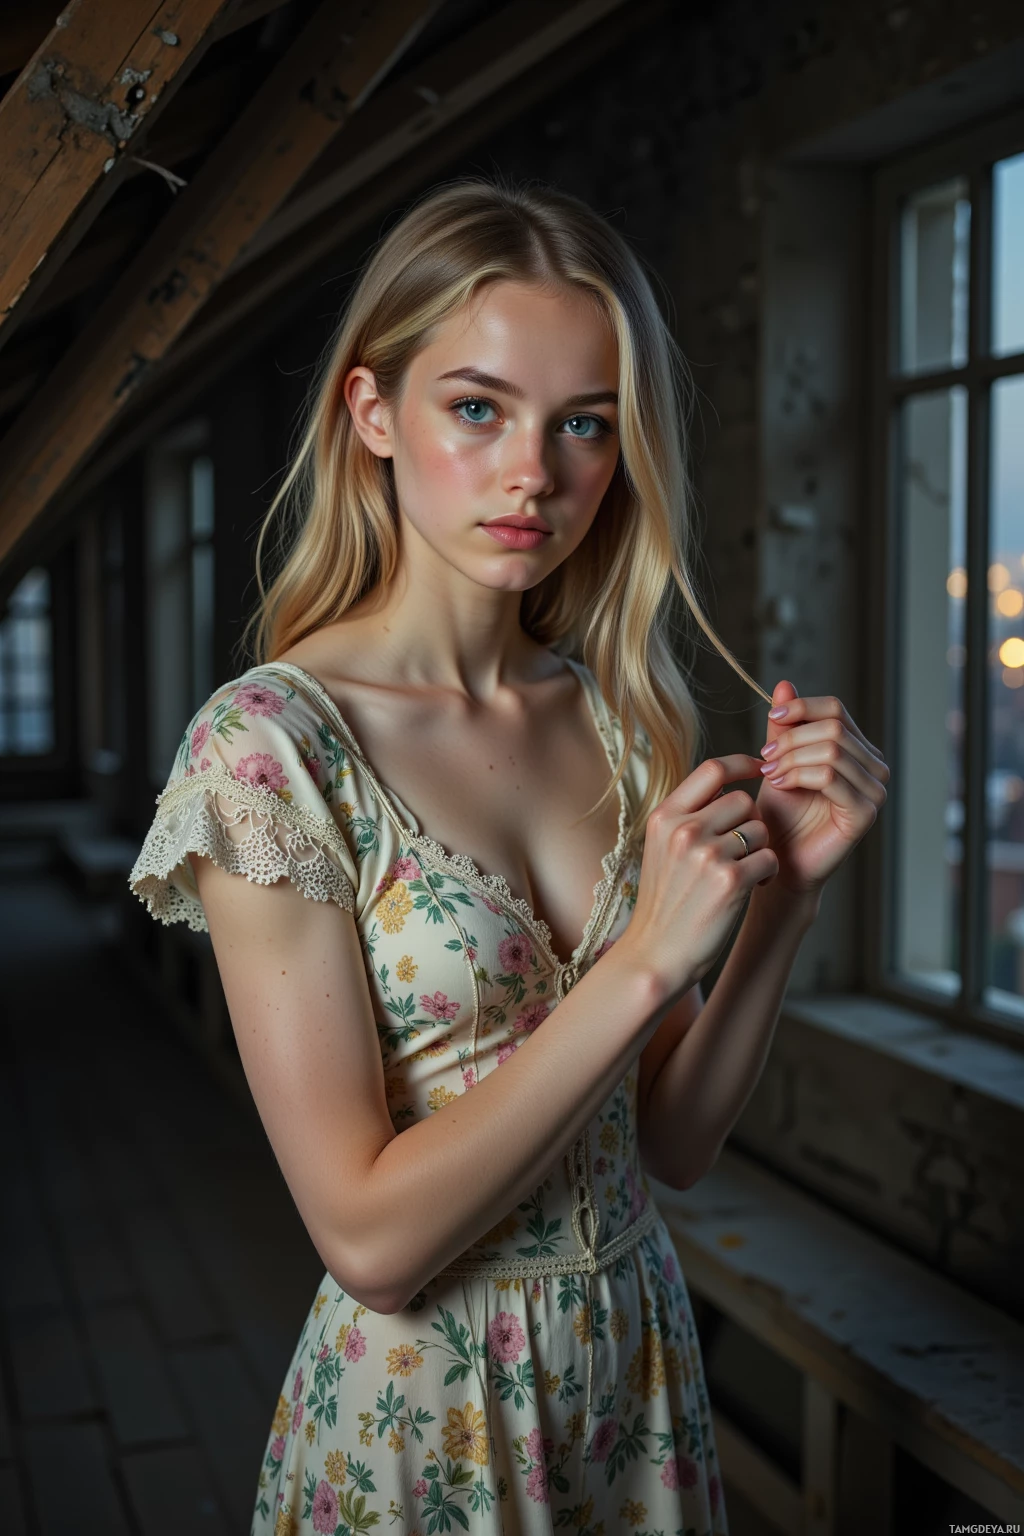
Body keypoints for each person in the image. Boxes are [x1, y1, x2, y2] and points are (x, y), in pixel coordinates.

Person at [129, 178, 888, 1536]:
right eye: (476, 407)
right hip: (426, 1412)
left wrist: (784, 907)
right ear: (373, 413)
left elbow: (674, 1138)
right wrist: (650, 957)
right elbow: (369, 1241)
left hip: (637, 1377)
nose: (534, 471)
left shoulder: (618, 717)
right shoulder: (272, 751)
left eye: (583, 423)